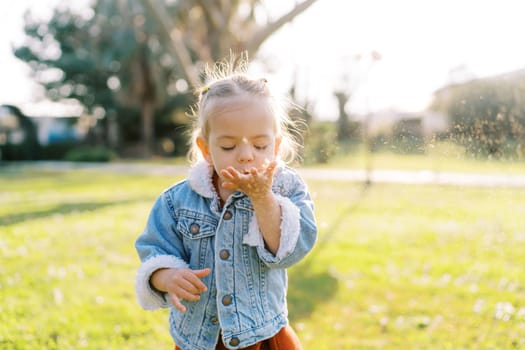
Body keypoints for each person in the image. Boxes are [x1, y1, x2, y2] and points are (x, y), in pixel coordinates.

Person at [135, 56, 317, 350]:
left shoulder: (286, 189)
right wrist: (166, 276)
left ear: (277, 146)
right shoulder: (177, 201)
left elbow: (291, 249)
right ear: (206, 149)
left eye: (260, 145)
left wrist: (263, 198)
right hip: (200, 338)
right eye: (228, 146)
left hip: (261, 332)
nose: (246, 155)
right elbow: (154, 251)